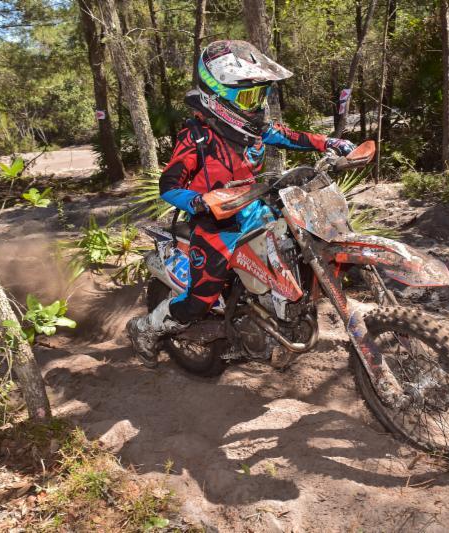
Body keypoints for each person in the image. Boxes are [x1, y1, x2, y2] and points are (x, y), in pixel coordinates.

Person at [126, 40, 356, 367]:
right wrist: (200, 202)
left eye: (261, 94)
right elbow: (169, 185)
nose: (256, 104)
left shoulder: (255, 130)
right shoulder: (197, 136)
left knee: (298, 245)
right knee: (200, 300)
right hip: (217, 225)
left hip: (253, 208)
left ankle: (276, 312)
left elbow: (293, 137)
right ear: (218, 96)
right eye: (249, 96)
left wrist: (330, 143)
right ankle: (146, 328)